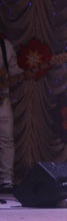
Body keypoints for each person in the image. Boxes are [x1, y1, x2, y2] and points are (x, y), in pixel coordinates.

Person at [0, 36, 22, 193]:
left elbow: (14, 71)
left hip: (3, 100)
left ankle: (6, 180)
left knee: (6, 140)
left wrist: (32, 69)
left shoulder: (4, 46)